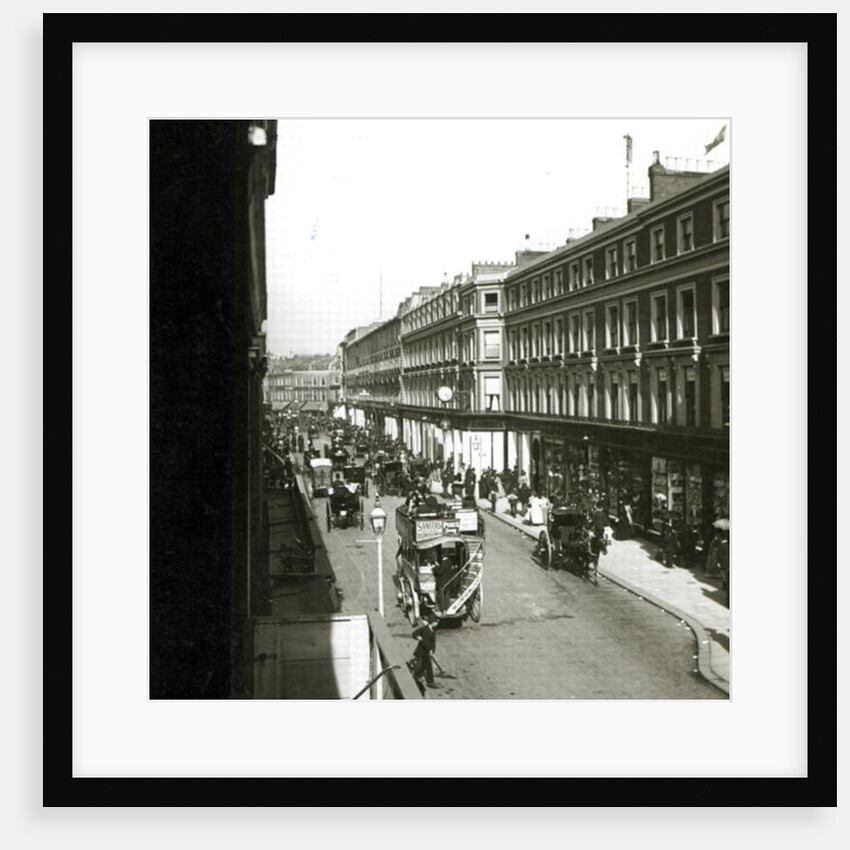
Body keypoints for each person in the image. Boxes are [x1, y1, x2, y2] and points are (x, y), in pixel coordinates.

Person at [411, 620, 439, 690]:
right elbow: (414, 634)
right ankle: (428, 681)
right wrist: (418, 637)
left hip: (427, 651)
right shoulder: (424, 629)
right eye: (436, 622)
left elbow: (433, 642)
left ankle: (420, 677)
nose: (436, 624)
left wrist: (432, 650)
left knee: (426, 666)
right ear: (432, 622)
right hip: (421, 651)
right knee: (425, 666)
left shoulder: (433, 630)